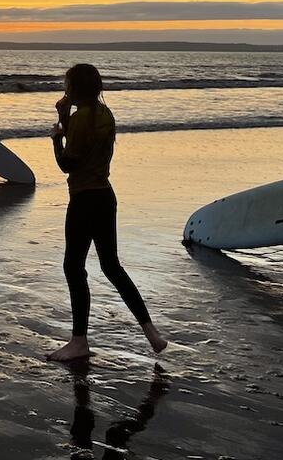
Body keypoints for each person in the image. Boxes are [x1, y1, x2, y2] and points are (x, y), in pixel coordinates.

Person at [48, 63, 166, 362]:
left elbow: (68, 165)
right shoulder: (104, 113)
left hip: (84, 199)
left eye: (67, 84)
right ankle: (151, 332)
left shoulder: (82, 117)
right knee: (112, 266)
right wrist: (64, 119)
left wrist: (55, 140)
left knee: (73, 267)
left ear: (74, 88)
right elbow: (86, 147)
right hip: (104, 196)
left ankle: (78, 341)